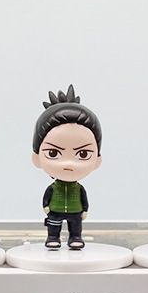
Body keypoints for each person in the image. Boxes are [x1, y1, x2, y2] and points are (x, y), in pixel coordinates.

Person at [31, 85, 102, 249]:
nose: (68, 163)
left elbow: (84, 198)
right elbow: (47, 197)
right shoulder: (53, 187)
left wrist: (85, 209)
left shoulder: (79, 188)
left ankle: (75, 237)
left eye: (83, 154)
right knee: (53, 225)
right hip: (55, 210)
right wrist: (46, 207)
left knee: (75, 226)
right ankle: (53, 237)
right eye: (53, 153)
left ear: (97, 160)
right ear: (37, 158)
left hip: (75, 210)